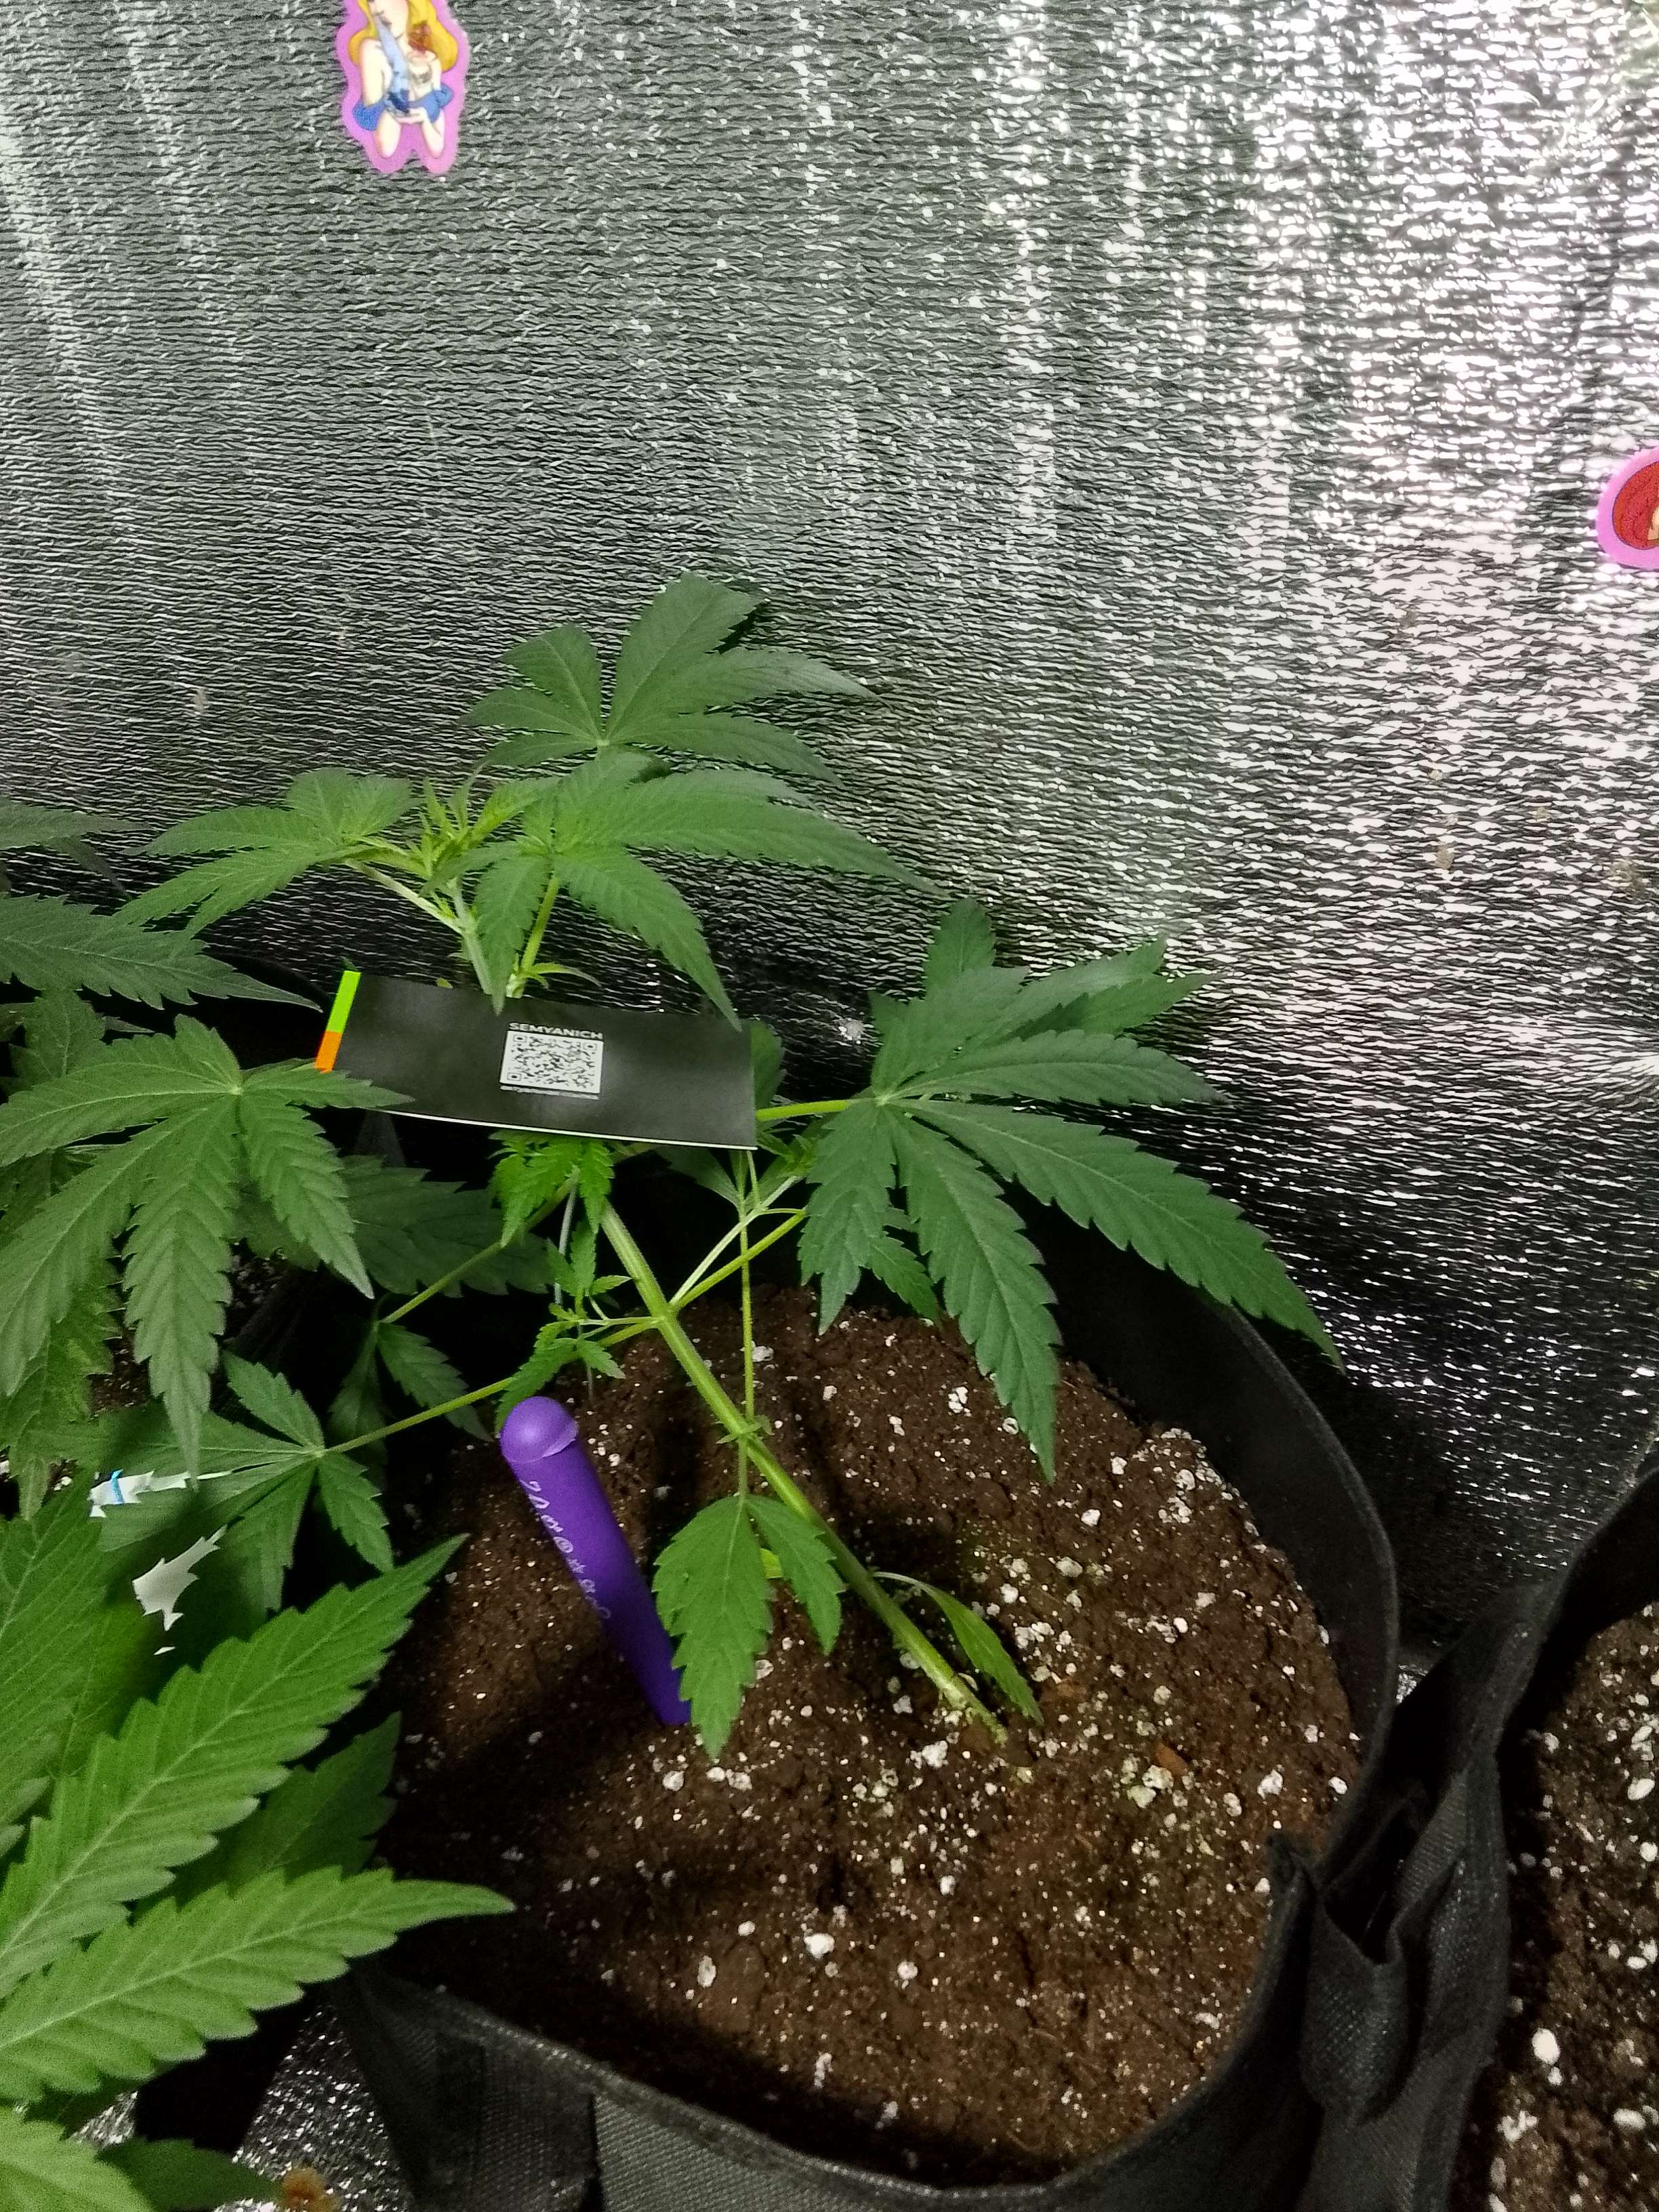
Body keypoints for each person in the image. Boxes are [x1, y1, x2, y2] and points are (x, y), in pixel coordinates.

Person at [348, 0, 458, 162]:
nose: (379, 8)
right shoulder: (372, 50)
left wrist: (425, 119)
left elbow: (437, 143)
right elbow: (385, 146)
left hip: (425, 114)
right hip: (388, 115)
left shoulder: (430, 56)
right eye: (372, 2)